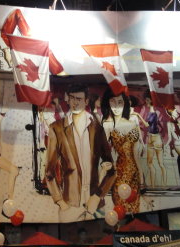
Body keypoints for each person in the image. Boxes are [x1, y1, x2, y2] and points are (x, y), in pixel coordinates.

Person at [46, 84, 115, 222]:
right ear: (68, 99)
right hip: (70, 204)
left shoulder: (96, 128)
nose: (75, 103)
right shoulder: (57, 128)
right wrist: (60, 202)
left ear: (86, 101)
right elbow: (49, 172)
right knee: (67, 236)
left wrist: (98, 196)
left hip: (95, 203)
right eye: (72, 98)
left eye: (79, 99)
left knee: (100, 234)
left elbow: (111, 168)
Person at [101, 90, 144, 213]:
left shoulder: (132, 124)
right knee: (121, 208)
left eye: (120, 102)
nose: (116, 106)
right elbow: (104, 150)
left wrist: (141, 175)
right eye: (113, 102)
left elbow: (135, 154)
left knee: (134, 208)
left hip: (134, 173)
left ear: (125, 103)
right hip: (119, 172)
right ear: (108, 103)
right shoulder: (107, 124)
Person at [141, 92, 166, 187]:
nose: (146, 102)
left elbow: (146, 124)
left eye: (147, 100)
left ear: (151, 100)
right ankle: (155, 185)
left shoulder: (152, 113)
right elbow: (157, 125)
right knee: (153, 163)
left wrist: (138, 116)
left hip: (154, 139)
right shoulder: (153, 112)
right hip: (152, 138)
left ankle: (160, 185)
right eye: (146, 100)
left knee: (158, 164)